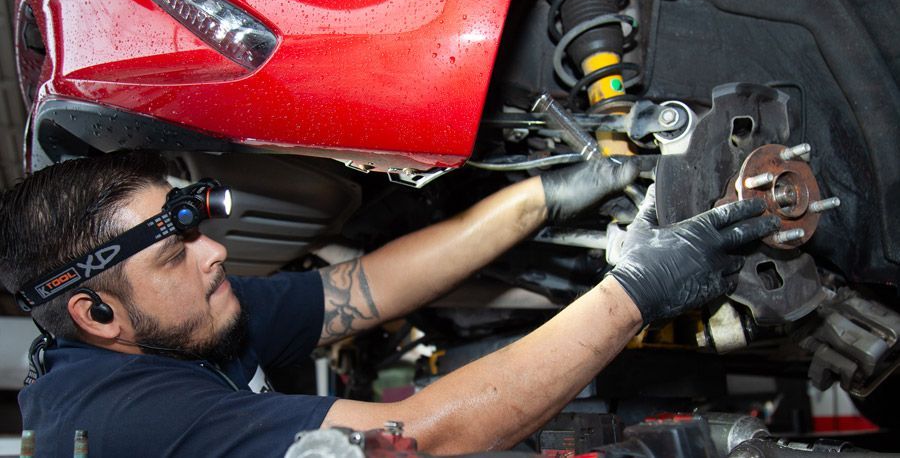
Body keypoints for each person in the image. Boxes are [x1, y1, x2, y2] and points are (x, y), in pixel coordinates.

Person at [0, 151, 778, 456]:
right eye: (178, 253)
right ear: (95, 316)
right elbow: (425, 441)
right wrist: (638, 289)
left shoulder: (172, 322)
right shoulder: (134, 427)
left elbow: (356, 291)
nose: (216, 253)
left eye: (198, 231)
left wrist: (542, 195)